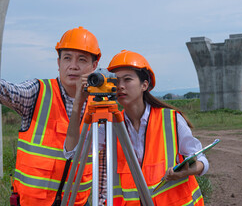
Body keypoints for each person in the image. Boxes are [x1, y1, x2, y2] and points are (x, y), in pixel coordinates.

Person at [64, 49, 209, 205]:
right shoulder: (109, 126)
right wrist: (78, 103)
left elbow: (200, 159)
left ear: (144, 85)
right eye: (115, 80)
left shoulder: (170, 119)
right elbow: (73, 154)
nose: (120, 86)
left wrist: (188, 171)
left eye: (127, 80)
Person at [1, 26, 101, 206]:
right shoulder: (37, 92)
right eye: (67, 58)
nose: (73, 66)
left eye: (82, 59)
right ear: (58, 62)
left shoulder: (100, 104)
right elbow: (8, 91)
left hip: (78, 203)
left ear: (94, 65)